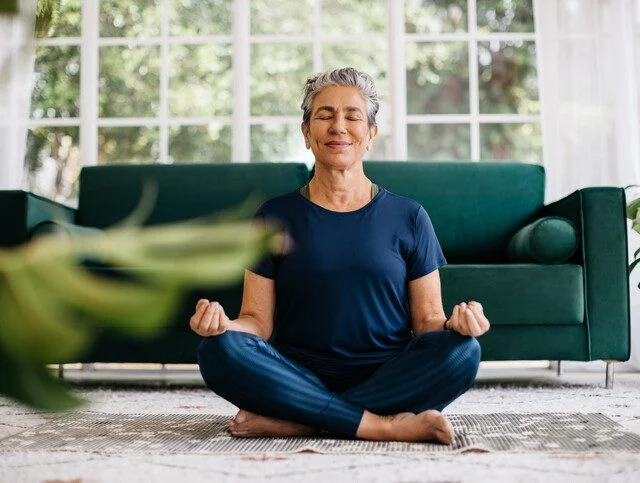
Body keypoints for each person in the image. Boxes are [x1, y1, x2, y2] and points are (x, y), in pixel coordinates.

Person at [191, 67, 490, 444]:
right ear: (306, 133)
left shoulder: (409, 216)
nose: (339, 126)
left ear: (371, 135)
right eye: (325, 115)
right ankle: (379, 425)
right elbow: (256, 322)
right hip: (295, 374)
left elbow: (428, 321)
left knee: (463, 352)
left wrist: (457, 325)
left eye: (352, 116)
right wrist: (223, 326)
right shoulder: (273, 216)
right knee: (218, 350)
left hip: (387, 375)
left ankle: (304, 420)